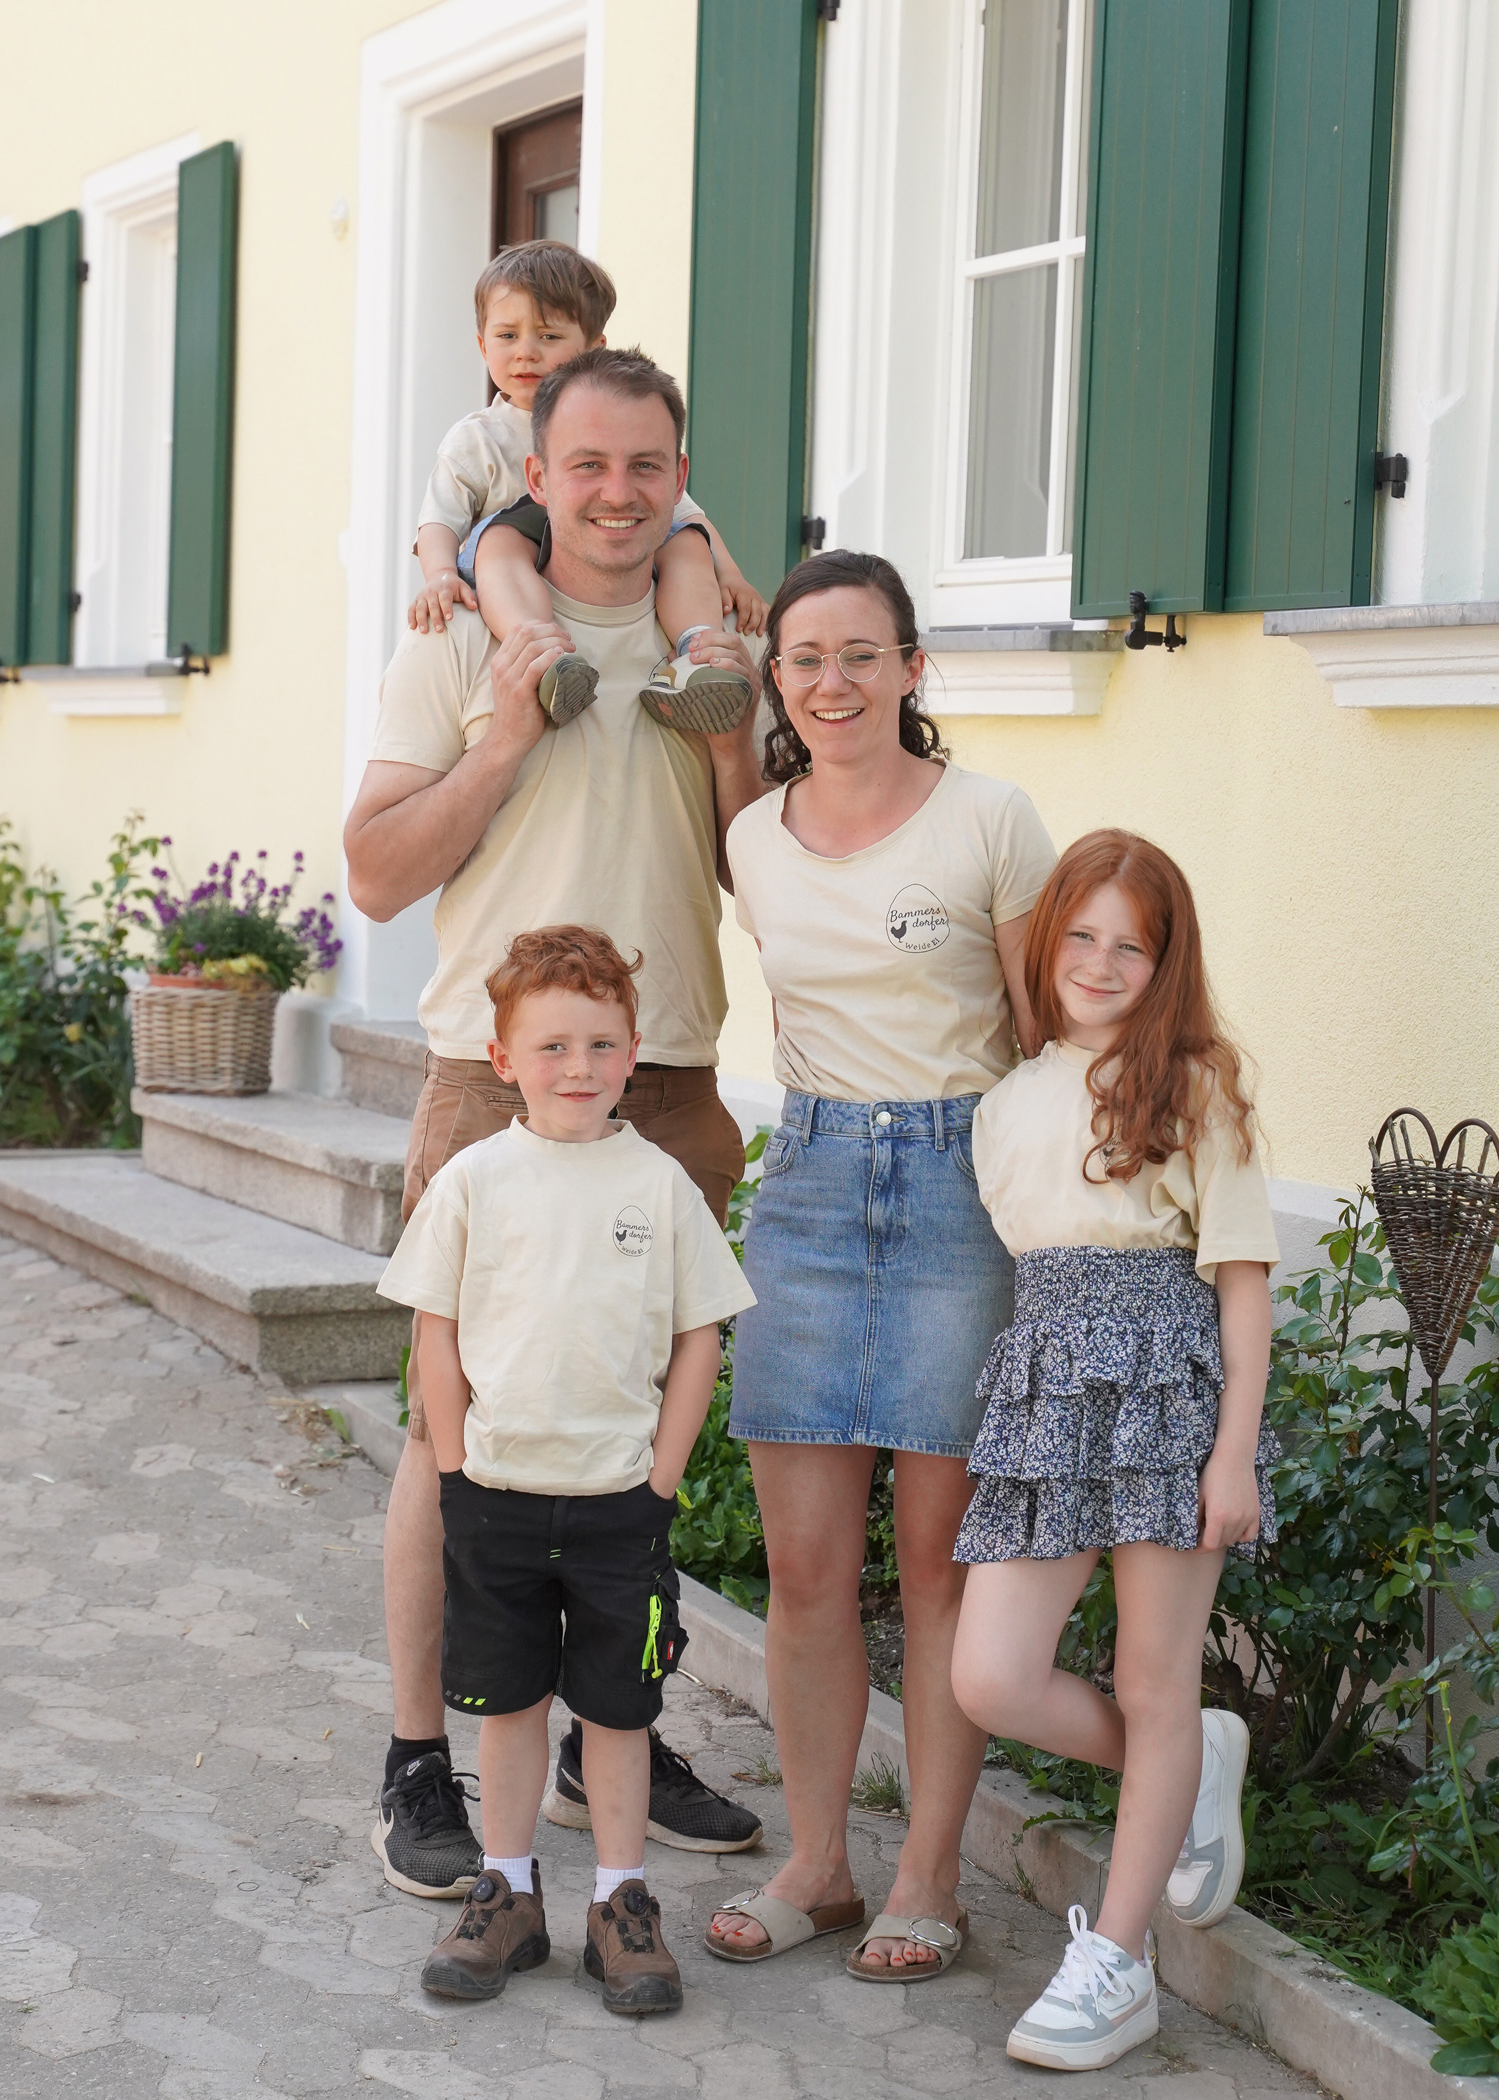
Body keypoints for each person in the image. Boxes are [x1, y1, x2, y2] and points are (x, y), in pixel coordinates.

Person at [344, 346, 767, 1901]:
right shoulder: (463, 636)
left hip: (672, 1086)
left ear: (678, 480)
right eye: (586, 466)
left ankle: (611, 1731)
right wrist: (508, 736)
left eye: (646, 468)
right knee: (445, 1436)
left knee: (633, 1433)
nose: (616, 494)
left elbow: (757, 872)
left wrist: (728, 717)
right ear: (535, 474)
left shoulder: (714, 633)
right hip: (487, 1082)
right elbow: (378, 872)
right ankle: (418, 1759)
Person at [705, 550, 1057, 1980]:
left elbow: (1045, 1037)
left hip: (962, 1187)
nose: (834, 683)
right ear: (775, 677)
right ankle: (816, 1863)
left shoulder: (990, 819)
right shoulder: (754, 838)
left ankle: (928, 1875)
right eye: (806, 658)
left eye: (863, 654)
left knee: (933, 1561)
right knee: (801, 1564)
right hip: (807, 1180)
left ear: (913, 668)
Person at [948, 830, 1280, 2073]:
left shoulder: (1197, 1087)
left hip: (1170, 1390)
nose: (1099, 960)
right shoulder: (1005, 1102)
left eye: (1127, 945)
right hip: (1047, 1386)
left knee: (1155, 1680)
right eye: (1080, 936)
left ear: (1164, 962)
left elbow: (1241, 1285)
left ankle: (1118, 1966)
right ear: (1047, 945)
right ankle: (1193, 1764)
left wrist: (1232, 1452)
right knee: (991, 1674)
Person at [377, 925, 756, 2011]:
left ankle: (622, 1905)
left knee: (620, 1713)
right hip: (493, 1500)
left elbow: (699, 1339)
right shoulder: (473, 1181)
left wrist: (664, 1479)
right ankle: (506, 1892)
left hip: (616, 1510)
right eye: (551, 1048)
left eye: (600, 1044)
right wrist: (453, 1470)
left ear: (634, 1050)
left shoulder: (662, 1187)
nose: (578, 1068)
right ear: (503, 1061)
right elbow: (435, 1335)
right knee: (507, 1706)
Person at [409, 239, 766, 733]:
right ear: (482, 345)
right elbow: (439, 518)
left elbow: (687, 513)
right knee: (499, 541)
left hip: (609, 557)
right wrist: (440, 575)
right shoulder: (477, 438)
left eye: (550, 336)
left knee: (685, 543)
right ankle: (545, 658)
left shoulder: (614, 426)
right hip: (521, 564)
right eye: (507, 335)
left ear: (594, 348)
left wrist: (730, 574)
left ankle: (697, 655)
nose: (526, 353)